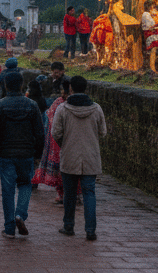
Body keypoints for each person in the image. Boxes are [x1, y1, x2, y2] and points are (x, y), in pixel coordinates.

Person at [52, 75, 107, 241]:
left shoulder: (63, 108)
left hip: (69, 155)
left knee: (69, 193)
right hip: (90, 156)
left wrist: (66, 143)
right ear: (86, 88)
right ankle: (90, 230)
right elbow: (103, 132)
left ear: (71, 89)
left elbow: (56, 133)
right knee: (89, 192)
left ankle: (68, 225)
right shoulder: (96, 109)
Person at [0, 71, 45, 239]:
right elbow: (40, 133)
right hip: (26, 152)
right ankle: (20, 214)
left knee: (7, 191)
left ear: (5, 86)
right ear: (22, 85)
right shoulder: (32, 105)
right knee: (25, 184)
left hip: (6, 153)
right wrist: (38, 155)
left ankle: (9, 228)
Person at [33, 76, 70, 204]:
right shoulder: (59, 103)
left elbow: (50, 124)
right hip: (67, 143)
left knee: (62, 170)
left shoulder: (58, 104)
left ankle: (64, 194)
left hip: (58, 142)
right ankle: (69, 194)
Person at [141, 0, 158, 73]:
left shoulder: (154, 13)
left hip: (157, 32)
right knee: (154, 49)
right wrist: (156, 19)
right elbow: (151, 24)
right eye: (152, 6)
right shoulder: (146, 14)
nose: (153, 7)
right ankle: (153, 69)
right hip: (150, 33)